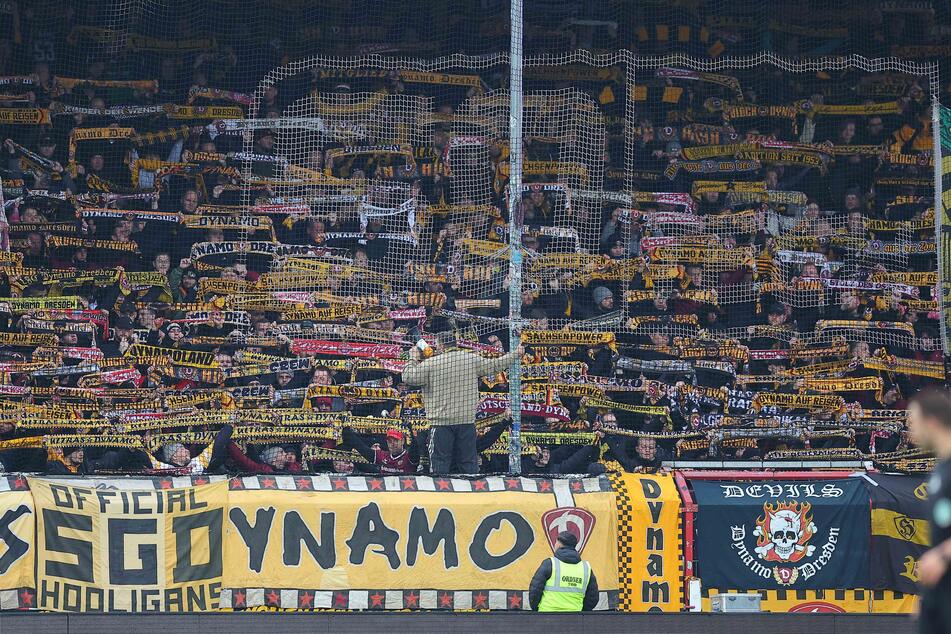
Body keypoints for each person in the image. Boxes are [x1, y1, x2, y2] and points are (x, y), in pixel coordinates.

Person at [402, 331, 522, 474]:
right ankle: (470, 494)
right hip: (466, 423)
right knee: (468, 465)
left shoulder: (431, 363)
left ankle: (442, 493)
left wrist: (413, 358)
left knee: (440, 464)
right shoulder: (471, 359)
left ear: (440, 345)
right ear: (456, 343)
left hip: (441, 424)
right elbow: (496, 365)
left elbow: (408, 377)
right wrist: (516, 353)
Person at [907, 389, 951, 633]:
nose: (911, 430)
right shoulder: (940, 470)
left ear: (932, 422)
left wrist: (943, 556)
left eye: (914, 422)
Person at [528, 530, 599, 612]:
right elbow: (593, 598)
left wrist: (536, 610)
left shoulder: (550, 563)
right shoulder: (586, 568)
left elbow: (535, 591)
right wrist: (581, 612)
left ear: (558, 544)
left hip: (547, 617)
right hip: (575, 618)